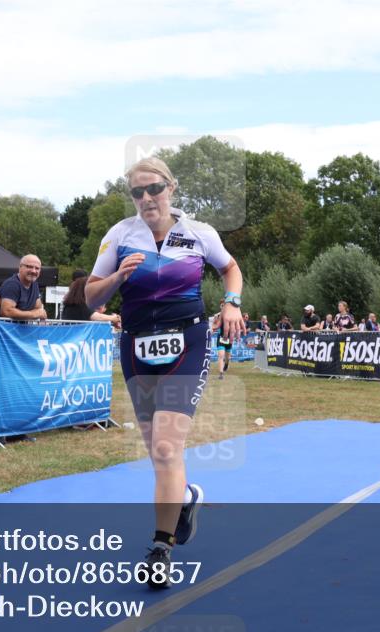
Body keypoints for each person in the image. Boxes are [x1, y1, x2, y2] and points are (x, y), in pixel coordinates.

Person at [85, 157, 244, 589]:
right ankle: (185, 499)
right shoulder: (119, 235)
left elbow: (229, 267)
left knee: (170, 448)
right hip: (136, 346)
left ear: (171, 188)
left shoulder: (198, 233)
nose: (146, 199)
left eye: (153, 189)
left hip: (186, 343)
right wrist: (118, 274)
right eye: (137, 192)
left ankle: (161, 547)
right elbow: (90, 296)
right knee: (159, 453)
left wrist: (232, 303)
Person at [0, 254, 47, 321]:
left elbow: (38, 308)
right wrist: (33, 314)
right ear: (20, 267)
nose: (33, 271)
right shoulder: (12, 284)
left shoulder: (34, 284)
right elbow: (6, 312)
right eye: (29, 267)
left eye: (37, 268)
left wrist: (38, 313)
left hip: (21, 330)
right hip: (4, 330)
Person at [212, 298, 233, 380]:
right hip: (220, 338)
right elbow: (214, 325)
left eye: (224, 304)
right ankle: (221, 373)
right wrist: (215, 320)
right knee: (221, 355)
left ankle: (227, 364)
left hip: (229, 338)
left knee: (227, 357)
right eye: (221, 305)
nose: (223, 306)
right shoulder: (217, 315)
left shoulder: (231, 315)